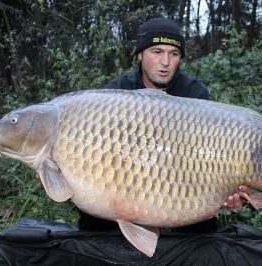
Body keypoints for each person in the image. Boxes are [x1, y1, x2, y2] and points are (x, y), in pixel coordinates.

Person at [78, 17, 217, 232]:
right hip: (126, 180)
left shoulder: (194, 95)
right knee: (93, 217)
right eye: (157, 52)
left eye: (174, 54)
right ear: (141, 54)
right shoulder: (116, 92)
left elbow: (211, 155)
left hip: (181, 180)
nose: (165, 62)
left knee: (203, 225)